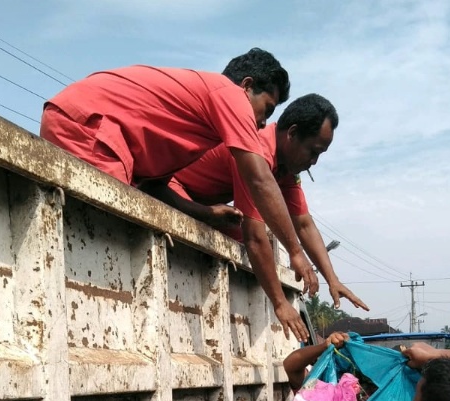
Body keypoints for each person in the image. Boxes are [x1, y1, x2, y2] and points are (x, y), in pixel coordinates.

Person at [40, 48, 318, 327]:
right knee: (107, 243)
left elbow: (154, 188)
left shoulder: (194, 129)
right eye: (266, 109)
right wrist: (294, 252)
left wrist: (204, 213)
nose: (262, 122)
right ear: (246, 87)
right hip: (90, 125)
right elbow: (260, 180)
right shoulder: (229, 93)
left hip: (86, 124)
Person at [166, 94, 368, 338]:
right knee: (253, 238)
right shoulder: (255, 150)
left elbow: (303, 223)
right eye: (312, 152)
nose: (313, 162)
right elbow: (255, 236)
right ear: (292, 133)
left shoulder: (286, 169)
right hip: (174, 189)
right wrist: (280, 302)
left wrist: (332, 280)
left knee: (246, 238)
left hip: (208, 203)